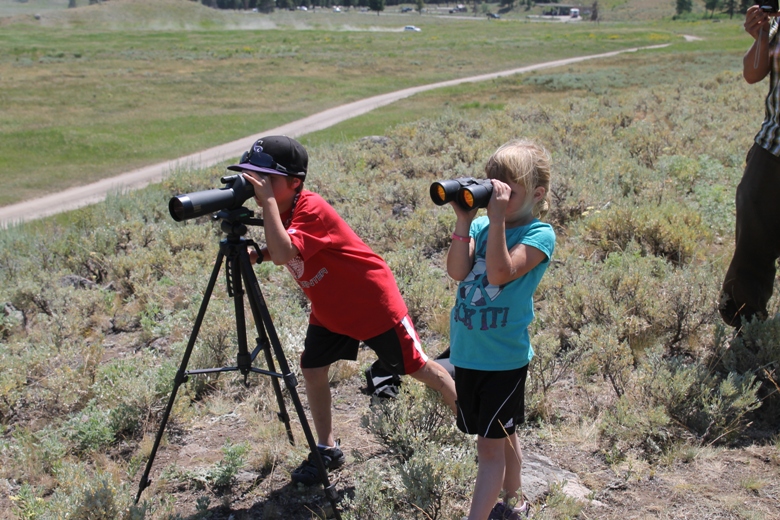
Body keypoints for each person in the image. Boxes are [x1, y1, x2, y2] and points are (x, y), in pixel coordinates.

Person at [231, 135, 457, 485]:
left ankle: (475, 426)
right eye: (251, 177)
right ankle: (327, 448)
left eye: (266, 180)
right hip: (332, 310)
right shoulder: (284, 208)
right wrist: (257, 252)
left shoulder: (311, 208)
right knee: (312, 367)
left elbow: (284, 252)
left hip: (372, 305)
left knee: (420, 371)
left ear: (295, 183)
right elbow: (282, 249)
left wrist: (269, 213)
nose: (258, 187)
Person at [445, 139, 555, 520]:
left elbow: (499, 273)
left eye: (509, 189)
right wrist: (464, 221)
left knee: (488, 448)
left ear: (537, 194)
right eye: (493, 184)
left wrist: (495, 220)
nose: (497, 194)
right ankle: (516, 499)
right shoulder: (479, 223)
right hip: (468, 351)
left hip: (502, 359)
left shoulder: (539, 235)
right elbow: (458, 271)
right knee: (503, 433)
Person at [719, 5, 780, 328]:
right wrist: (761, 35)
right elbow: (752, 73)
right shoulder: (777, 26)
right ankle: (746, 322)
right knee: (753, 241)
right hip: (773, 147)